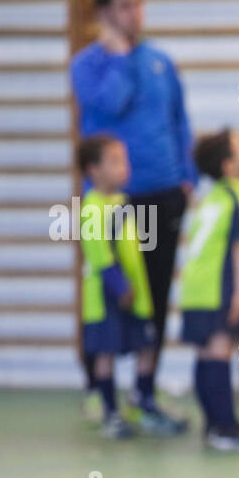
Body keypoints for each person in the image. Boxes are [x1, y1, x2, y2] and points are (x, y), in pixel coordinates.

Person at [71, 0, 196, 417]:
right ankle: (98, 392)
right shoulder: (87, 65)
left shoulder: (161, 61)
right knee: (107, 296)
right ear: (104, 12)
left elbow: (180, 121)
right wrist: (119, 56)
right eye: (124, 6)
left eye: (140, 4)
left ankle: (145, 388)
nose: (135, 14)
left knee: (155, 297)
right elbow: (112, 104)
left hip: (164, 195)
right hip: (115, 206)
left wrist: (188, 178)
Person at [76, 134, 187, 439]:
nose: (123, 167)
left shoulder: (123, 202)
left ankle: (144, 400)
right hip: (109, 297)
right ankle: (111, 412)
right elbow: (99, 254)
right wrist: (120, 286)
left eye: (123, 160)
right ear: (93, 169)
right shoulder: (91, 208)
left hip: (137, 296)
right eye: (113, 161)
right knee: (106, 355)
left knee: (147, 346)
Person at [178, 129, 239, 451]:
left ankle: (216, 423)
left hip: (194, 289)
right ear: (229, 166)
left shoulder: (210, 197)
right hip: (217, 288)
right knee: (220, 352)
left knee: (205, 353)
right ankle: (223, 427)